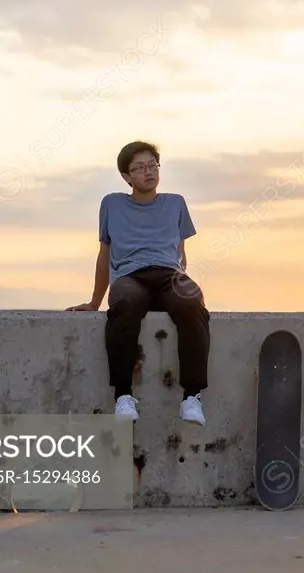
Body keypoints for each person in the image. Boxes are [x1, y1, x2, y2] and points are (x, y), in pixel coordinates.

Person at [67, 141, 210, 424]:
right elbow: (104, 252)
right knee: (125, 302)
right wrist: (95, 302)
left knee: (192, 300)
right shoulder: (112, 203)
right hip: (130, 276)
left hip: (169, 274)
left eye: (153, 166)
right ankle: (123, 396)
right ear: (126, 176)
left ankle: (192, 397)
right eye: (140, 168)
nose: (149, 172)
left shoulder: (175, 203)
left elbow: (180, 252)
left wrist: (180, 278)